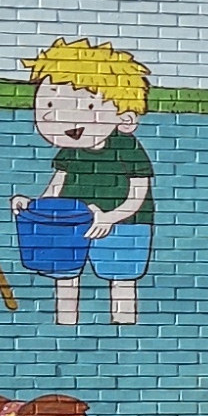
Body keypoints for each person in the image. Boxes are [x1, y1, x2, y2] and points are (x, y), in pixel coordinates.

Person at [14, 39, 157, 326]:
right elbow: (57, 186)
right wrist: (33, 206)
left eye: (86, 105)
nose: (62, 116)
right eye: (50, 104)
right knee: (65, 277)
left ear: (125, 118)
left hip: (126, 225)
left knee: (122, 279)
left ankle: (123, 326)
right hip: (71, 222)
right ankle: (66, 325)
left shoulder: (126, 147)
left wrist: (110, 217)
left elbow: (138, 193)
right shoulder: (71, 150)